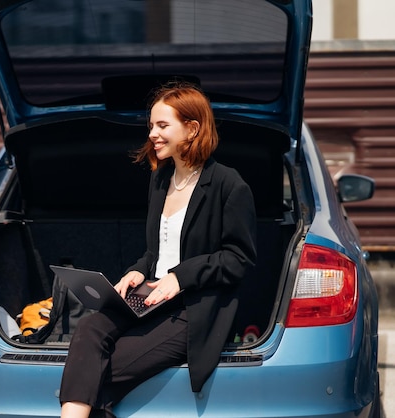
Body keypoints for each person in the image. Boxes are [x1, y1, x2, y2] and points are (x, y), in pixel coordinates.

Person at [59, 82, 258, 418]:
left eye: (163, 125)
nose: (152, 133)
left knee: (101, 371)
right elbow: (159, 250)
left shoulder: (229, 185)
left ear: (192, 129)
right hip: (149, 295)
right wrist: (138, 269)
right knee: (89, 330)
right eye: (151, 125)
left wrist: (181, 278)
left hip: (192, 309)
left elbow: (239, 259)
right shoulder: (161, 180)